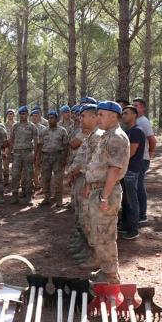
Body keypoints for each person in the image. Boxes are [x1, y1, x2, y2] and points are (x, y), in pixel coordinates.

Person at [83, 101, 129, 284]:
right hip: (99, 189)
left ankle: (110, 277)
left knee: (105, 235)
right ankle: (105, 270)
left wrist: (104, 196)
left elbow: (114, 170)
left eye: (101, 115)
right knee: (99, 234)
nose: (98, 118)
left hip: (106, 191)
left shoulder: (117, 137)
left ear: (112, 116)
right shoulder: (107, 135)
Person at [67, 104, 102, 267]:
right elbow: (80, 155)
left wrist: (78, 169)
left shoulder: (99, 136)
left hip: (91, 182)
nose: (80, 119)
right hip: (82, 178)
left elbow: (97, 163)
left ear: (94, 117)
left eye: (84, 116)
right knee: (82, 216)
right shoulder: (89, 135)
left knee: (91, 219)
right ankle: (87, 249)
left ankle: (95, 255)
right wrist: (74, 170)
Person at [118, 105, 145, 240]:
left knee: (132, 200)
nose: (123, 116)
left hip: (131, 171)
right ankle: (127, 224)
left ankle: (133, 229)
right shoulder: (129, 131)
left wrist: (117, 164)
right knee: (126, 200)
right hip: (126, 170)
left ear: (134, 115)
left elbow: (131, 152)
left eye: (126, 113)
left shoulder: (136, 131)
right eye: (122, 114)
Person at [37, 110, 69, 207]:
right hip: (46, 156)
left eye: (52, 118)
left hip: (57, 157)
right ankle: (47, 198)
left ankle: (59, 200)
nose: (50, 120)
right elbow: (40, 145)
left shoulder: (62, 131)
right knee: (45, 178)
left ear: (56, 119)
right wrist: (38, 158)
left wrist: (64, 159)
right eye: (49, 118)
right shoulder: (43, 131)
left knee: (58, 179)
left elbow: (66, 146)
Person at [133, 97, 156, 223]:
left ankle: (142, 215)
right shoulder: (137, 120)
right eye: (133, 105)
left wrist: (150, 153)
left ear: (143, 108)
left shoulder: (143, 121)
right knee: (136, 186)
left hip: (142, 159)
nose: (134, 107)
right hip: (139, 159)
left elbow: (152, 140)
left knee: (139, 186)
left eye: (136, 105)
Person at [9, 106, 39, 205]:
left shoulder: (32, 126)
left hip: (28, 153)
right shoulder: (15, 126)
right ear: (19, 115)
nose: (23, 115)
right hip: (17, 153)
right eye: (21, 114)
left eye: (24, 113)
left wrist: (35, 155)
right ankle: (14, 196)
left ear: (27, 114)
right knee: (15, 174)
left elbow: (36, 141)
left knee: (29, 175)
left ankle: (29, 196)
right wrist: (9, 153)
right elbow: (11, 140)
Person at [3, 109, 16, 186]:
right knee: (5, 165)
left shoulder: (17, 124)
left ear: (14, 115)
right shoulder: (3, 125)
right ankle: (6, 180)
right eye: (8, 114)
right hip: (7, 147)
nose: (10, 115)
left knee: (16, 165)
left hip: (16, 147)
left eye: (11, 114)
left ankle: (16, 180)